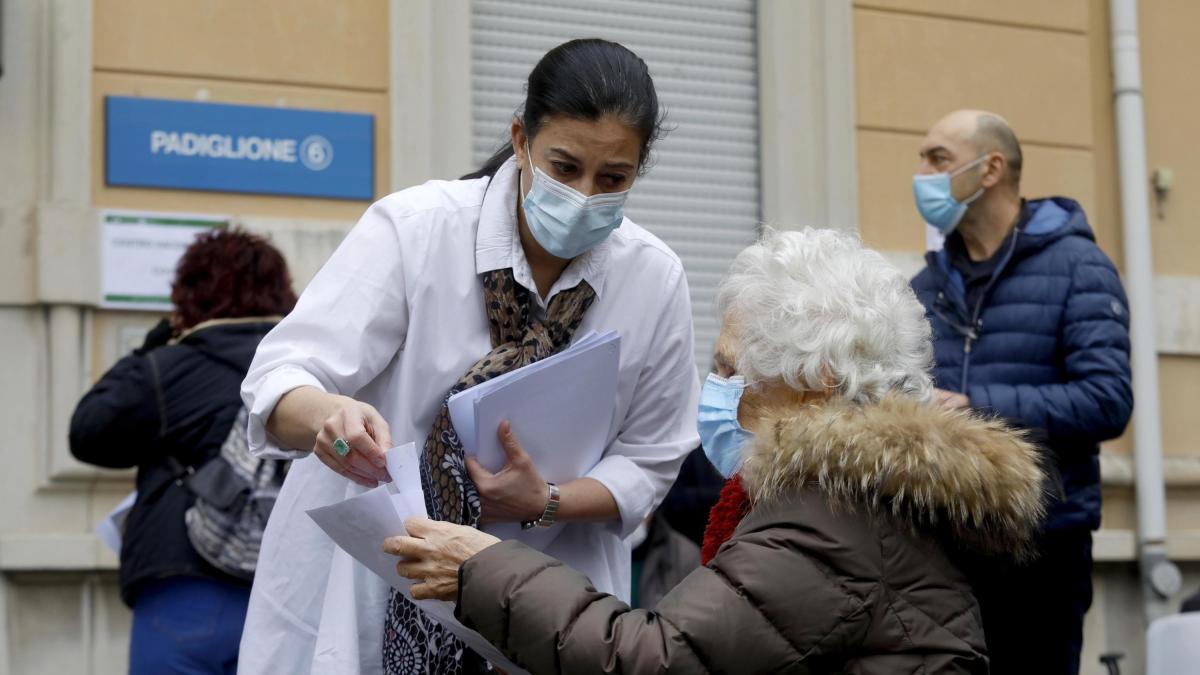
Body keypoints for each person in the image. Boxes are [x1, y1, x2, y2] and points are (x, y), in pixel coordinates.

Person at [385, 228, 1048, 675]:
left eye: (732, 370)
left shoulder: (829, 519)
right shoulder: (868, 494)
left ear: (811, 385)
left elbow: (654, 658)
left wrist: (486, 568)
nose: (716, 388)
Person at [237, 38, 700, 674]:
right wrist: (330, 418)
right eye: (564, 168)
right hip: (372, 582)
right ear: (520, 140)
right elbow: (281, 377)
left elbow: (652, 459)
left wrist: (548, 500)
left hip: (540, 600)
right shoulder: (417, 230)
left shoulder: (653, 278)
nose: (586, 195)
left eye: (613, 179)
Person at [909, 109, 1134, 674]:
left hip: (1044, 544)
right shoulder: (926, 285)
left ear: (990, 169)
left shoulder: (1080, 267)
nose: (923, 174)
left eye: (938, 158)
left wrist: (976, 406)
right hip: (943, 543)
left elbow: (1107, 399)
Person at [69, 229, 296, 675]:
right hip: (289, 593)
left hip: (185, 592)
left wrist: (154, 346)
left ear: (188, 295)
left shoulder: (169, 368)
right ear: (281, 293)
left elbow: (88, 433)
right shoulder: (306, 368)